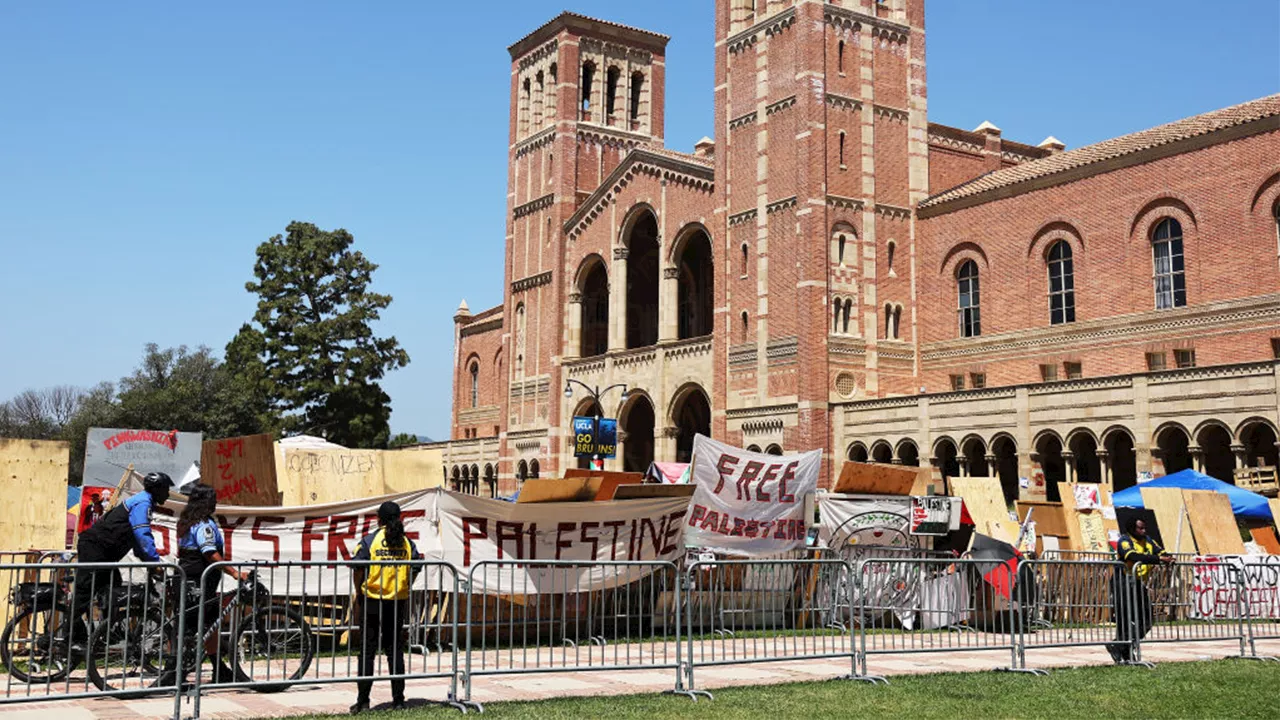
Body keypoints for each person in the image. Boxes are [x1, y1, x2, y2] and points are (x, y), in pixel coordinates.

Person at [70, 472, 174, 646]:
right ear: (156, 490)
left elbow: (136, 540)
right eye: (166, 489)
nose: (168, 494)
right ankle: (70, 638)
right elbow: (142, 535)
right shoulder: (143, 502)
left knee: (113, 589)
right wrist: (155, 562)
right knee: (84, 593)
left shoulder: (143, 501)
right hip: (95, 548)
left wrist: (148, 562)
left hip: (103, 552)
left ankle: (106, 632)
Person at [349, 501, 422, 714]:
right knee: (395, 651)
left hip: (372, 599)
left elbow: (357, 569)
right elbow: (416, 568)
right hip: (397, 601)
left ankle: (363, 701)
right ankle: (398, 700)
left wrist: (358, 592)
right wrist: (406, 585)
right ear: (399, 517)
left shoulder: (370, 541)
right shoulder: (407, 543)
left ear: (378, 519)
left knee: (367, 652)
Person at [175, 485, 245, 656]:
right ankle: (176, 671)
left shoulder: (188, 521)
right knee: (192, 627)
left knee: (210, 624)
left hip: (191, 581)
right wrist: (235, 573)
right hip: (198, 584)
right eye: (213, 499)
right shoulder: (203, 524)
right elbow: (210, 553)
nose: (215, 503)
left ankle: (217, 667)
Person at [1107, 517, 1173, 663]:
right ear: (1131, 529)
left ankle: (1119, 645)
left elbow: (1161, 552)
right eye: (1140, 528)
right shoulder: (1124, 541)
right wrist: (1158, 560)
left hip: (1137, 582)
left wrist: (1168, 557)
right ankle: (1124, 650)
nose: (1143, 531)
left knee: (1147, 618)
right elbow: (1131, 556)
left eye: (1144, 528)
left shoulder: (1148, 540)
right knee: (1125, 619)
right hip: (1122, 581)